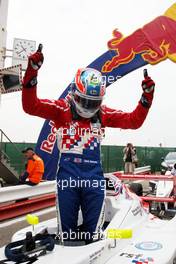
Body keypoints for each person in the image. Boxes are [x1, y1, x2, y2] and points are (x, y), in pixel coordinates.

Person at [22, 50, 155, 242]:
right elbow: (30, 106)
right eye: (85, 101)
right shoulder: (62, 109)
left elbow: (133, 121)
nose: (89, 106)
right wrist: (32, 72)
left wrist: (146, 98)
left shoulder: (103, 114)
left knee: (93, 235)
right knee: (65, 234)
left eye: (94, 102)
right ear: (75, 94)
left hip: (94, 179)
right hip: (67, 179)